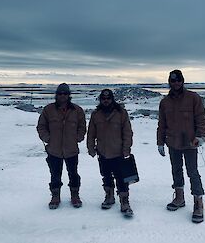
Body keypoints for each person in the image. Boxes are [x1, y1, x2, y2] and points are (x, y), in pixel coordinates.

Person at [157, 70, 205, 223]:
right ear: (169, 82)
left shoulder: (193, 98)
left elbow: (201, 119)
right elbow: (162, 124)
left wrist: (200, 136)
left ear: (183, 81)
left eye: (178, 80)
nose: (176, 83)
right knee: (176, 170)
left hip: (190, 143)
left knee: (193, 172)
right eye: (173, 81)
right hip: (173, 143)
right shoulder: (165, 102)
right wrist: (160, 142)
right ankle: (179, 198)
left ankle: (198, 203)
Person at [37, 83, 86, 209]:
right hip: (54, 150)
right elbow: (41, 126)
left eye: (65, 93)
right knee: (55, 175)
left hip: (71, 150)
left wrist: (78, 138)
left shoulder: (77, 110)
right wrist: (48, 139)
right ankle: (55, 196)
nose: (62, 96)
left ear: (69, 95)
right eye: (60, 94)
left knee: (73, 174)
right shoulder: (48, 110)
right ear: (56, 95)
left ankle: (75, 196)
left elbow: (82, 127)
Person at [87, 89, 134, 217]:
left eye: (108, 98)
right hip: (102, 152)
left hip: (118, 152)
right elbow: (91, 133)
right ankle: (109, 196)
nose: (106, 101)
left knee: (122, 178)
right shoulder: (96, 115)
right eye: (103, 99)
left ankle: (124, 201)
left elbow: (127, 132)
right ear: (100, 100)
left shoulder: (121, 113)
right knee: (106, 176)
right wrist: (91, 147)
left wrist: (126, 148)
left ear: (112, 99)